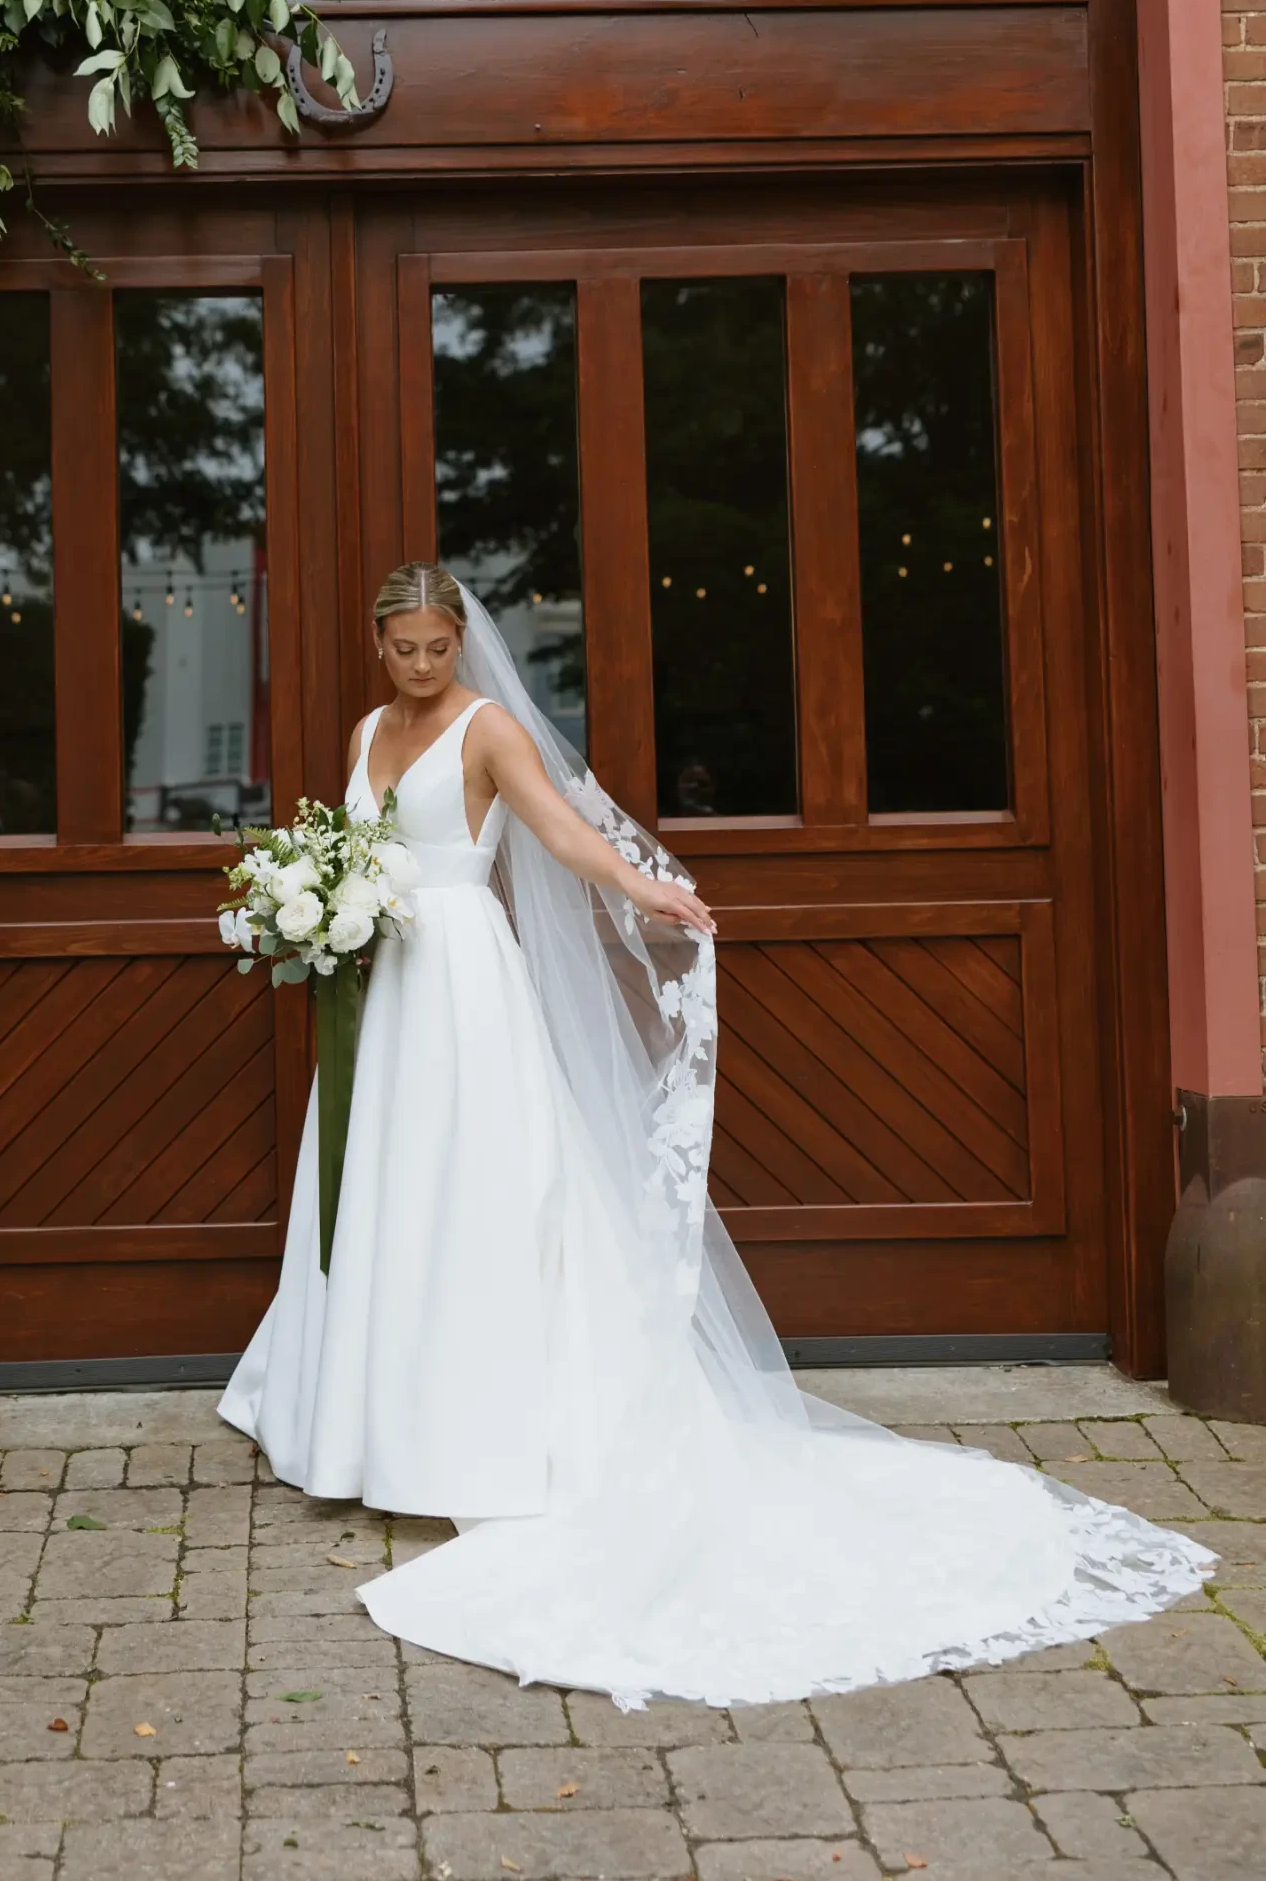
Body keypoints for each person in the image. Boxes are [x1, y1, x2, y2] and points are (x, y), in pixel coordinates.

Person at [220, 562, 1210, 1707]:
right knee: (383, 1190)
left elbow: (558, 829)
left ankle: (468, 1432)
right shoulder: (365, 731)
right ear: (377, 642)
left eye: (439, 646)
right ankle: (359, 1421)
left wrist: (642, 886)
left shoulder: (486, 729)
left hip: (460, 992)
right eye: (405, 649)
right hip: (379, 993)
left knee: (472, 1193)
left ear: (458, 640)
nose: (423, 665)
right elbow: (352, 847)